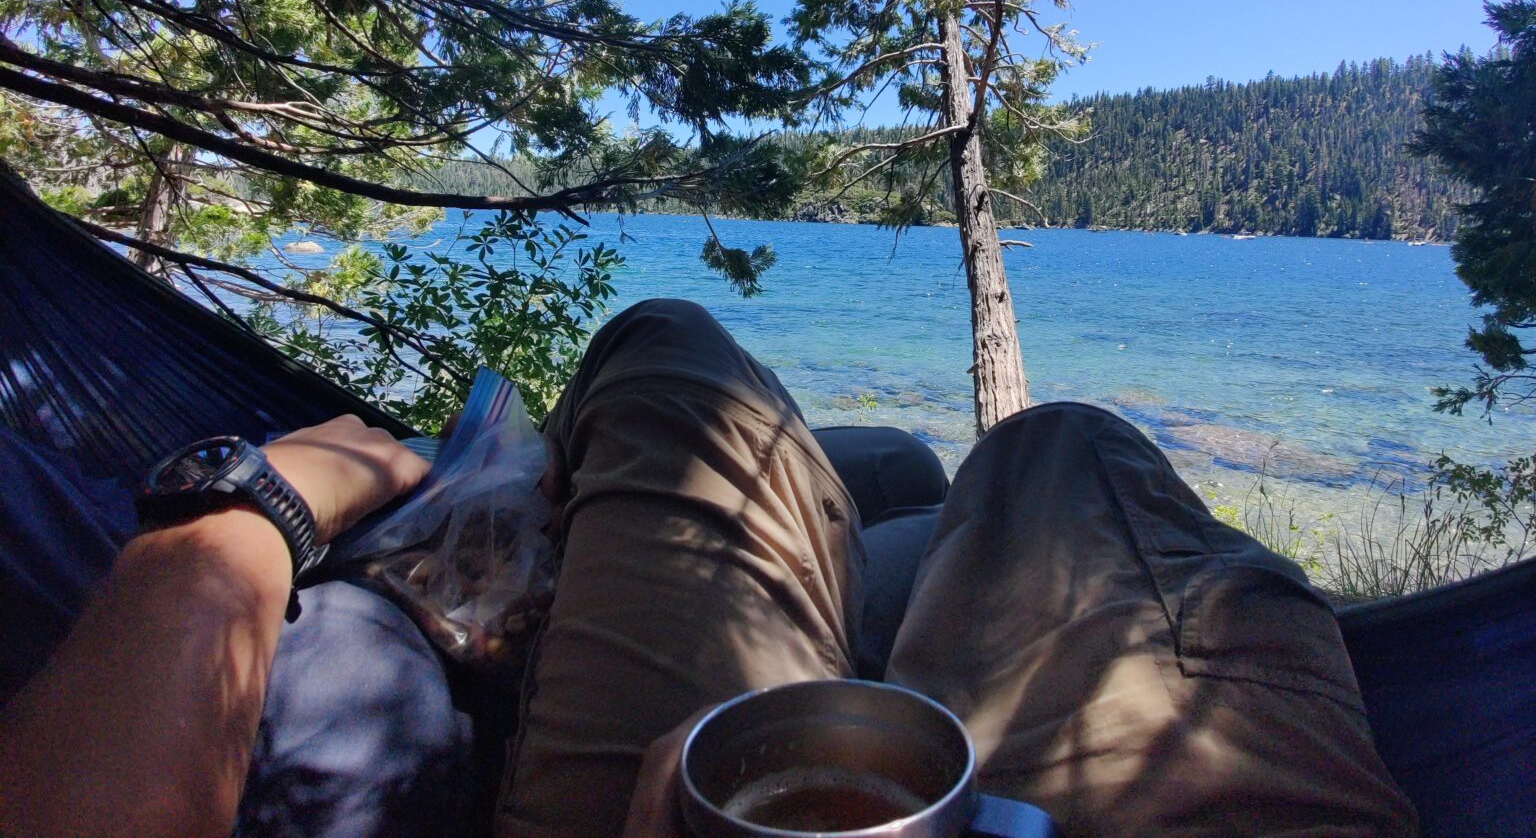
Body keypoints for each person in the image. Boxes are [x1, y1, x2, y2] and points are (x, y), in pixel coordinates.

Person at [0, 300, 1417, 837]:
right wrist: (239, 509)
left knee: (899, 481)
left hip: (431, 701)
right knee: (1061, 455)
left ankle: (874, 639)